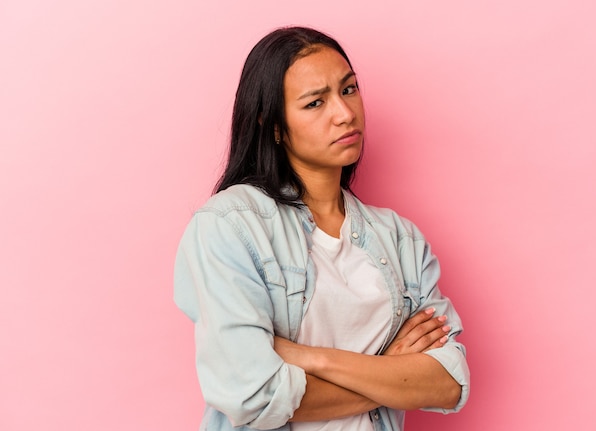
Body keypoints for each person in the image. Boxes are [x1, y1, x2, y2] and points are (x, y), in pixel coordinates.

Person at [174, 26, 470, 431]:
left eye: (349, 89)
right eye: (315, 102)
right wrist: (393, 374)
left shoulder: (399, 238)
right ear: (274, 126)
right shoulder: (229, 227)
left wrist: (315, 358)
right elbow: (254, 396)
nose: (345, 113)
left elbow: (450, 382)